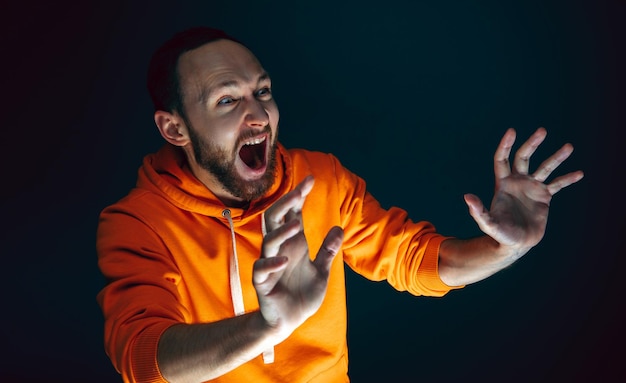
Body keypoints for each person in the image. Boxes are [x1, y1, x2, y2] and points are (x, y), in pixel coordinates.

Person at [96, 26, 584, 383]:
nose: (258, 114)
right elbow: (142, 355)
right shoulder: (137, 221)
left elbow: (412, 258)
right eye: (227, 100)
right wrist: (267, 327)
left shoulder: (320, 179)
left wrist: (504, 249)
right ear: (174, 128)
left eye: (262, 92)